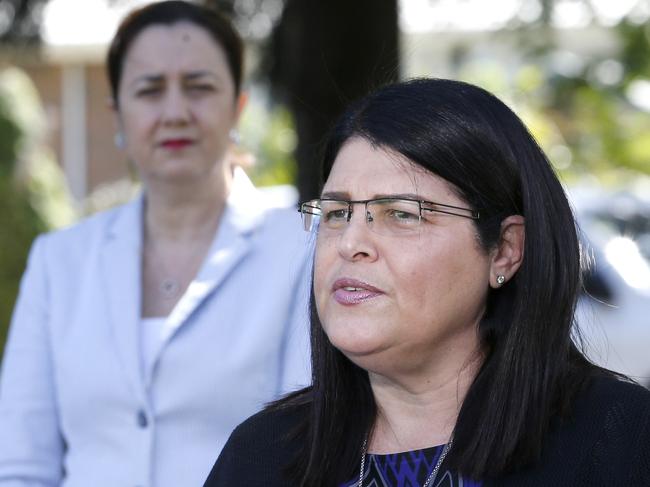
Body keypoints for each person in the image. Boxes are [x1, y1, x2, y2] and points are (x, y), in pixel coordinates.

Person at [204, 78, 650, 487]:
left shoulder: (618, 442)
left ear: (505, 249)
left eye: (401, 214)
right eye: (338, 214)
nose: (351, 243)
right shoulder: (263, 455)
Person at [0, 2, 311, 486]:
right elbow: (20, 466)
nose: (175, 111)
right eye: (149, 89)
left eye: (199, 86)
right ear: (118, 113)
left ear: (238, 106)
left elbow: (307, 446)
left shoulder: (303, 252)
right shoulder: (58, 262)